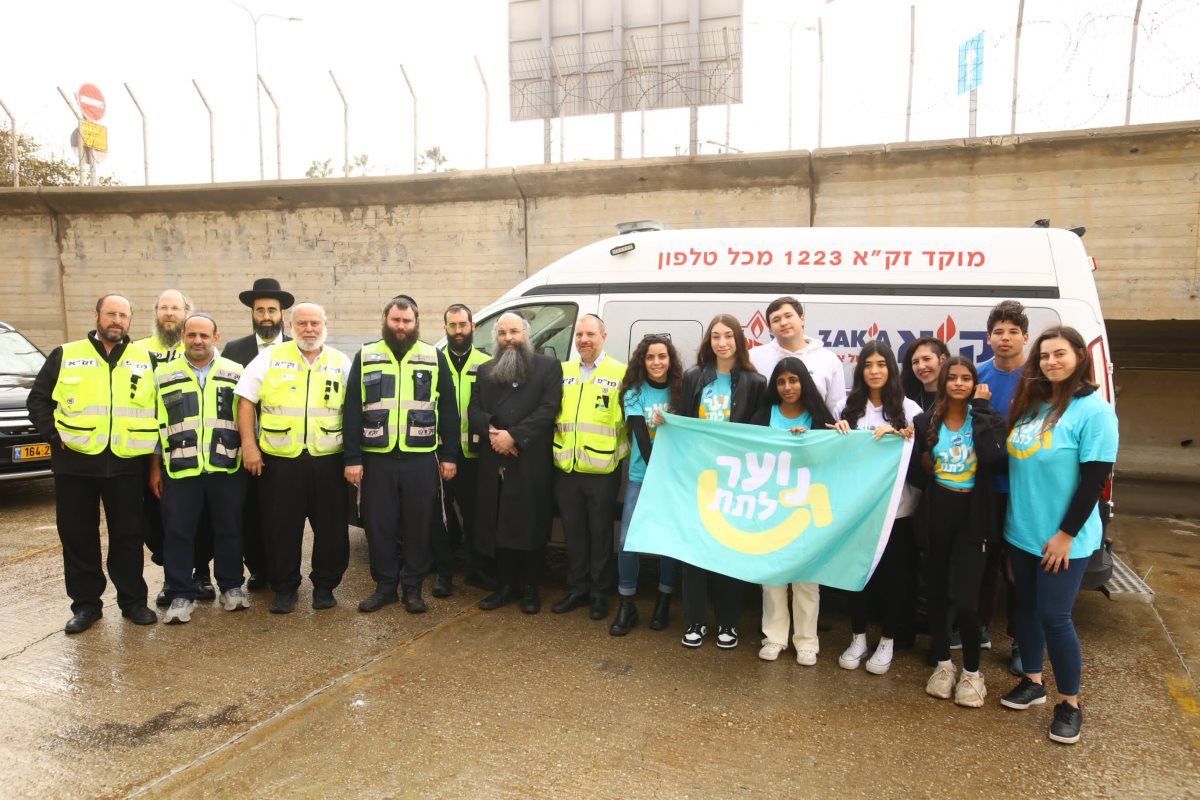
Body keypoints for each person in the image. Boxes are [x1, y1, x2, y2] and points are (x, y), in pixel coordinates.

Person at [999, 326, 1118, 745]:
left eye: (1060, 354)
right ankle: (1033, 682)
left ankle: (1070, 703)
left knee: (1055, 616)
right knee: (1027, 608)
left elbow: (1094, 481)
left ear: (1079, 356)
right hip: (1022, 532)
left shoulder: (1094, 412)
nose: (1051, 362)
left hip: (1064, 538)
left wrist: (1066, 534)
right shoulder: (1033, 404)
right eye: (1045, 355)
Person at [26, 294, 159, 634]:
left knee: (129, 536)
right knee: (78, 536)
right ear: (97, 315)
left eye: (123, 315)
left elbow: (159, 410)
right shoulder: (66, 354)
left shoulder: (145, 360)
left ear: (130, 320)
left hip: (127, 463)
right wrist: (53, 435)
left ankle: (133, 602)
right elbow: (38, 400)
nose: (117, 320)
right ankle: (86, 606)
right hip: (76, 465)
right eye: (111, 314)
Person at [344, 297, 460, 614]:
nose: (401, 326)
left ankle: (413, 588)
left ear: (416, 322)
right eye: (396, 320)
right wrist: (352, 458)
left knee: (418, 526)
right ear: (386, 319)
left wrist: (449, 455)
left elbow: (449, 409)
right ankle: (385, 588)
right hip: (377, 458)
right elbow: (351, 409)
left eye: (407, 321)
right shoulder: (366, 356)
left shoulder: (433, 357)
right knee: (379, 525)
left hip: (420, 458)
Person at [234, 302, 351, 614]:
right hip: (281, 462)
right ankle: (285, 588)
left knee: (331, 529)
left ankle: (325, 588)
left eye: (315, 323)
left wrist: (354, 457)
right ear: (291, 325)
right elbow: (245, 401)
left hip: (328, 461)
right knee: (280, 529)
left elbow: (354, 409)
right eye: (302, 323)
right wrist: (249, 445)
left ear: (325, 325)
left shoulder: (340, 362)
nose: (309, 329)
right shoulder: (270, 357)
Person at [910, 357, 1007, 707]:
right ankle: (943, 665)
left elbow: (994, 457)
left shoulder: (988, 418)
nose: (959, 383)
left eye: (966, 378)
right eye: (952, 378)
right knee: (937, 596)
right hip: (937, 515)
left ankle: (972, 672)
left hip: (973, 518)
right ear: (944, 382)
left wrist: (979, 409)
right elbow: (916, 474)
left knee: (966, 601)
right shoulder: (925, 421)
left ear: (974, 383)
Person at [148, 314, 249, 624]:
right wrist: (154, 469)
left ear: (216, 338)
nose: (197, 340)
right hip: (181, 468)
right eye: (191, 335)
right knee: (178, 532)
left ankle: (231, 587)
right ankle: (181, 592)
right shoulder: (163, 374)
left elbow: (248, 418)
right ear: (183, 336)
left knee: (229, 529)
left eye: (204, 335)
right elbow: (155, 425)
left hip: (226, 465)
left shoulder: (236, 372)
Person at [750, 357, 848, 664]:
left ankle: (807, 641)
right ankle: (774, 637)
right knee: (772, 576)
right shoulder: (763, 414)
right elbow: (749, 451)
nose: (787, 387)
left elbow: (835, 455)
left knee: (807, 579)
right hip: (771, 507)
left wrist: (818, 439)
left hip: (807, 509)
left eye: (793, 380)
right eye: (781, 381)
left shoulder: (819, 417)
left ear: (804, 382)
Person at [678, 314, 766, 649]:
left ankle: (728, 624)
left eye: (728, 336)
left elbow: (759, 432)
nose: (722, 342)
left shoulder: (755, 382)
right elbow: (682, 423)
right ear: (709, 342)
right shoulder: (694, 377)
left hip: (735, 481)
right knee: (694, 552)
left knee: (729, 550)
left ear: (739, 340)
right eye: (716, 336)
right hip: (698, 478)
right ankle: (696, 621)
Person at [834, 342, 922, 675]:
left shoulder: (909, 408)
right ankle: (858, 637)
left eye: (881, 364)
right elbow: (832, 455)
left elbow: (920, 456)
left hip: (896, 512)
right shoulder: (845, 407)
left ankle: (887, 640)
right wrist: (838, 433)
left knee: (893, 579)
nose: (874, 371)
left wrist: (902, 435)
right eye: (868, 365)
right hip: (857, 511)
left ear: (891, 369)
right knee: (856, 575)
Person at [469, 312, 563, 613]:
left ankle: (530, 588)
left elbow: (549, 409)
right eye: (502, 333)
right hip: (495, 460)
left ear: (527, 334)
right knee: (499, 525)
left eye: (514, 332)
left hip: (529, 460)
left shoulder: (548, 367)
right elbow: (473, 408)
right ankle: (505, 586)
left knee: (530, 525)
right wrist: (492, 432)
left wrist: (514, 437)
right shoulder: (486, 370)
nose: (508, 338)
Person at [551, 314, 628, 620]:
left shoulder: (620, 372)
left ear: (603, 337)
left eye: (590, 334)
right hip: (567, 469)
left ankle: (599, 594)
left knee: (600, 534)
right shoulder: (563, 372)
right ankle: (577, 589)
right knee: (574, 534)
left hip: (603, 470)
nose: (584, 340)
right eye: (580, 335)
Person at [221, 278, 295, 592]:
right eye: (260, 310)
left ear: (282, 314)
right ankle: (258, 569)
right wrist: (245, 443)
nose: (266, 316)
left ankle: (282, 571)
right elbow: (230, 400)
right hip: (246, 446)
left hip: (283, 447)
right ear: (252, 313)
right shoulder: (234, 350)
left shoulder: (296, 347)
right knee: (249, 511)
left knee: (280, 514)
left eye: (272, 310)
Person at [134, 289, 207, 605]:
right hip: (151, 447)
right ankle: (172, 577)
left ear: (187, 313)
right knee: (160, 517)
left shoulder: (197, 348)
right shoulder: (137, 351)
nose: (168, 313)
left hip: (193, 449)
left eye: (175, 308)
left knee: (200, 515)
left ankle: (201, 573)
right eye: (163, 307)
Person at [610, 334, 682, 636]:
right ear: (643, 361)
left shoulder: (681, 391)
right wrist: (656, 475)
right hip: (642, 477)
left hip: (675, 478)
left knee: (669, 543)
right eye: (650, 357)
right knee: (628, 541)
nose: (656, 362)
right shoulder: (634, 393)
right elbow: (641, 436)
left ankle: (663, 602)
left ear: (670, 359)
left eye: (662, 356)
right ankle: (627, 604)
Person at [975, 300, 1031, 674]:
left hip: (1025, 489)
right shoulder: (978, 376)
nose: (1005, 338)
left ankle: (1020, 639)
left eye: (1013, 332)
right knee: (983, 561)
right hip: (986, 487)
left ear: (1026, 337)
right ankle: (978, 628)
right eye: (998, 332)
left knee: (1018, 567)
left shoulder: (1038, 378)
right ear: (988, 338)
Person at [431, 304, 494, 594]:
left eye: (463, 325)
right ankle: (443, 574)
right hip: (440, 452)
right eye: (453, 325)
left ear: (473, 327)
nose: (458, 331)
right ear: (445, 328)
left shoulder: (487, 364)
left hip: (474, 455)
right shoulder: (433, 361)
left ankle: (475, 570)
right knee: (440, 517)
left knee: (476, 516)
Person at [748, 296, 846, 414]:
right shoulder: (754, 357)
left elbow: (836, 409)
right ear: (770, 329)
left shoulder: (828, 359)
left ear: (802, 319)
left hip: (816, 426)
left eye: (788, 316)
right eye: (776, 320)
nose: (783, 323)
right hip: (765, 426)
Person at [901, 336, 950, 413]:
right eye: (915, 362)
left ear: (943, 360)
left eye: (926, 359)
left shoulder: (957, 397)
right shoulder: (904, 399)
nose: (921, 366)